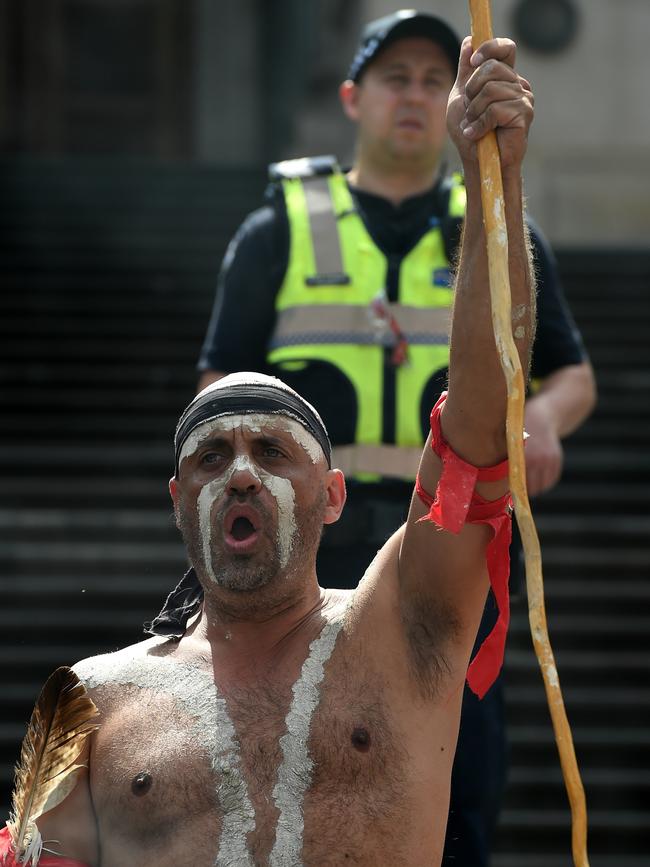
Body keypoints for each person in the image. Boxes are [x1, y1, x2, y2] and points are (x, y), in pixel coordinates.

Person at [2, 32, 535, 866]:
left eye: (272, 450)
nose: (241, 469)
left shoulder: (403, 634)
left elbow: (477, 424)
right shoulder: (85, 702)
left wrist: (490, 180)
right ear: (177, 501)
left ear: (332, 494)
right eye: (210, 458)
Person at [195, 9, 596, 864]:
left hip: (443, 541)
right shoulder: (279, 228)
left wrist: (541, 417)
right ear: (353, 97)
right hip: (312, 545)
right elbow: (218, 381)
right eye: (395, 79)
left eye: (432, 79)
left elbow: (568, 370)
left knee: (456, 777)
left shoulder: (497, 223)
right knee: (288, 773)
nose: (416, 96)